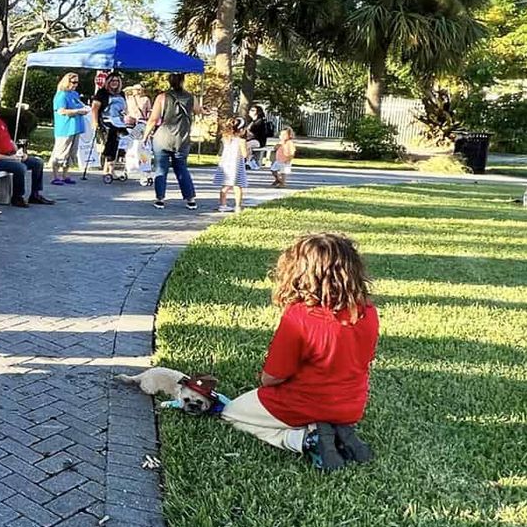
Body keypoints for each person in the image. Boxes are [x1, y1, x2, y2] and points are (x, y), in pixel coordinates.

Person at [220, 233, 378, 472]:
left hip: (302, 402)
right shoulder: (368, 312)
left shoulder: (300, 316)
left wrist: (263, 382)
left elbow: (273, 377)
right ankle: (336, 429)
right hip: (351, 406)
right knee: (323, 410)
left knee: (231, 413)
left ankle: (305, 440)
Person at [0, 97, 53, 207]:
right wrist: (9, 158)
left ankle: (35, 194)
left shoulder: (0, 122)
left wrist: (19, 152)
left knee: (37, 163)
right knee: (20, 167)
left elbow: (9, 141)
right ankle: (17, 197)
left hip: (10, 155)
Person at [142, 72, 200, 211]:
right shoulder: (191, 97)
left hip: (162, 138)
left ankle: (160, 199)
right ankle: (190, 199)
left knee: (161, 169)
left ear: (169, 81)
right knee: (182, 169)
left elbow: (153, 120)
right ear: (182, 81)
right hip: (182, 139)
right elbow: (198, 111)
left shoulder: (162, 97)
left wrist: (145, 136)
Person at [50, 73, 90, 185]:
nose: (75, 85)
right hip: (65, 128)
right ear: (66, 82)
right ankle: (55, 176)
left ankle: (66, 175)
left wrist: (84, 110)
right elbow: (61, 111)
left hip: (76, 127)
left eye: (77, 82)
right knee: (61, 151)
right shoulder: (61, 95)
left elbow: (79, 106)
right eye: (73, 82)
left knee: (72, 152)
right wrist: (77, 111)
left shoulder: (75, 94)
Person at [91, 73, 134, 177]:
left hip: (119, 120)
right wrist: (95, 122)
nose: (114, 83)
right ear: (108, 82)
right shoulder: (102, 93)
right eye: (112, 81)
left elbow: (124, 109)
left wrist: (127, 117)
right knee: (112, 141)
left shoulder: (121, 94)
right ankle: (109, 169)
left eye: (117, 81)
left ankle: (109, 168)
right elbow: (95, 108)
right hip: (106, 120)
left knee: (124, 140)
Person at [214, 117, 249, 214]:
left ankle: (222, 205)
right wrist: (248, 150)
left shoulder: (225, 139)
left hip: (225, 165)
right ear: (241, 130)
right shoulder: (241, 141)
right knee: (237, 186)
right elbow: (244, 154)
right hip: (237, 166)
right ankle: (237, 206)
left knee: (225, 186)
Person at [246, 104, 270, 169]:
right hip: (252, 140)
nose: (250, 111)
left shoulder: (260, 121)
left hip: (258, 141)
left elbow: (255, 134)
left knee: (246, 145)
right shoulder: (252, 122)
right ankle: (249, 160)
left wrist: (247, 132)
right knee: (244, 144)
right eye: (250, 110)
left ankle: (250, 161)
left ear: (257, 112)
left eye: (253, 110)